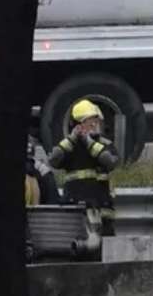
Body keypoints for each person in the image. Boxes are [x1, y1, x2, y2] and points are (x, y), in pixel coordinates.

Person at [48, 99, 120, 235]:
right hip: (76, 210)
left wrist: (90, 143)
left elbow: (111, 162)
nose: (96, 124)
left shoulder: (104, 144)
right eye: (91, 120)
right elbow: (53, 161)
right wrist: (71, 139)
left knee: (103, 250)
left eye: (97, 120)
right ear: (80, 124)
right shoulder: (69, 146)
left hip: (101, 209)